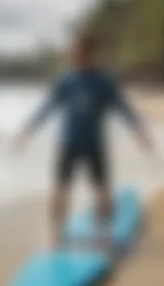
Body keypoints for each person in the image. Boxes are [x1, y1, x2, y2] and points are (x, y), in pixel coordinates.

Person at [12, 33, 153, 250]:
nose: (74, 55)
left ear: (89, 53)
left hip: (94, 145)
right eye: (73, 51)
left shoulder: (103, 81)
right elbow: (47, 107)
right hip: (68, 144)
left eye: (78, 51)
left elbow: (122, 106)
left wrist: (138, 129)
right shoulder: (65, 80)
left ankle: (105, 234)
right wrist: (27, 130)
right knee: (60, 189)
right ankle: (57, 234)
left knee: (102, 190)